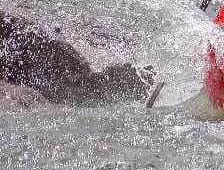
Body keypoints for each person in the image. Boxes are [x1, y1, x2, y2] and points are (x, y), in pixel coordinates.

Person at [0, 9, 154, 106]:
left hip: (33, 51)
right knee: (82, 86)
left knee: (83, 86)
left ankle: (143, 80)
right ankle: (143, 80)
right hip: (31, 53)